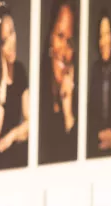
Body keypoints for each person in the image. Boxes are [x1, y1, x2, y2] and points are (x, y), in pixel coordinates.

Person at [0, 2, 29, 172]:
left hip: (14, 149)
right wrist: (1, 98)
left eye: (12, 33)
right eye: (4, 40)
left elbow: (30, 121)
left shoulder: (21, 71)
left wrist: (11, 136)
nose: (11, 42)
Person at [38, 0, 77, 165]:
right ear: (49, 39)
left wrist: (68, 110)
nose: (64, 50)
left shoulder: (78, 98)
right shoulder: (37, 90)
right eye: (60, 36)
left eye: (70, 41)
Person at [85, 8, 111, 159]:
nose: (104, 41)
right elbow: (88, 111)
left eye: (107, 34)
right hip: (96, 144)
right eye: (101, 36)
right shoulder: (93, 70)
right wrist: (97, 135)